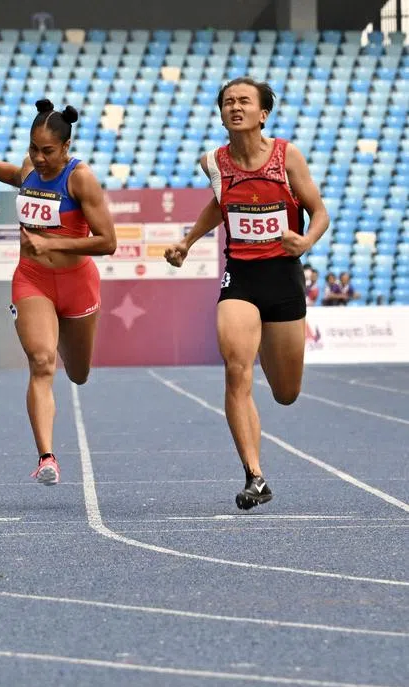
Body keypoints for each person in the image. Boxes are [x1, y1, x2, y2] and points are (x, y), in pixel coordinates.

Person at [165, 77, 329, 510]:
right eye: (228, 102)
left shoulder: (285, 155)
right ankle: (255, 476)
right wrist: (188, 241)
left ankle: (274, 375)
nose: (235, 107)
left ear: (263, 114)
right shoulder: (214, 162)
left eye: (244, 101)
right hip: (241, 278)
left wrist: (306, 241)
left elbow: (319, 211)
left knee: (286, 392)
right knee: (236, 369)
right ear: (221, 113)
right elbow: (220, 205)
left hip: (284, 278)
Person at [0, 99, 117, 486]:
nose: (39, 159)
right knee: (41, 362)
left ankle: (75, 353)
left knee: (79, 373)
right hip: (32, 280)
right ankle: (46, 457)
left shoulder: (80, 178)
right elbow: (12, 174)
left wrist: (54, 246)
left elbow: (108, 242)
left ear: (66, 148)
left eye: (48, 151)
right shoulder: (29, 168)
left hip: (78, 285)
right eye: (33, 149)